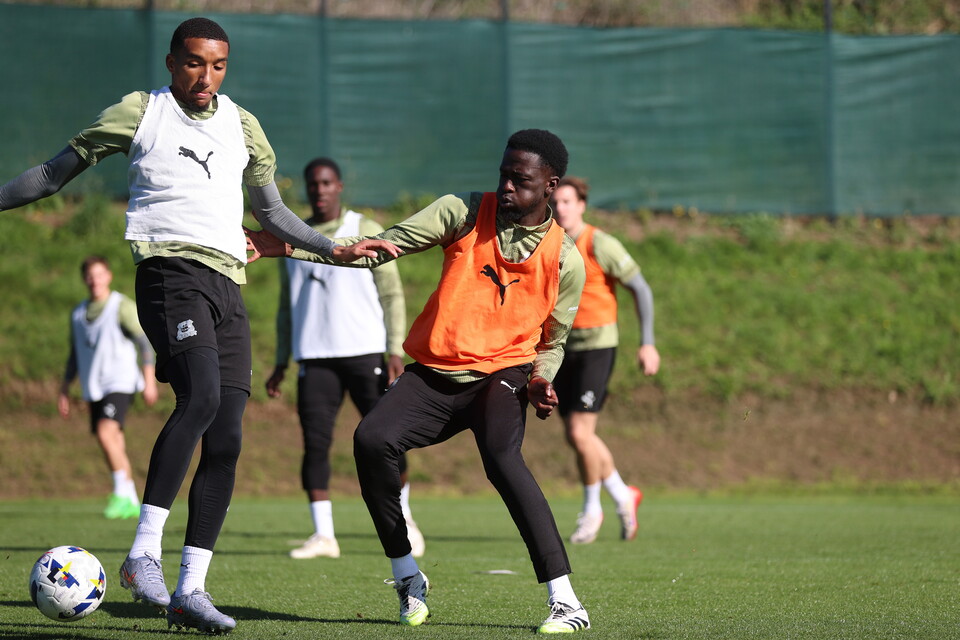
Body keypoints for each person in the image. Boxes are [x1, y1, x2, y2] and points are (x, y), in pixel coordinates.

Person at [0, 17, 398, 634]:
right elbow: (52, 175)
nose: (205, 76)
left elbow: (271, 212)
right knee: (203, 397)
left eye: (217, 65)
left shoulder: (244, 126)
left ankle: (191, 589)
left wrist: (330, 248)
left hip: (229, 285)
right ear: (170, 63)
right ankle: (141, 556)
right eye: (193, 63)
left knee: (229, 435)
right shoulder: (140, 113)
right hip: (169, 274)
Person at [248, 129, 592, 633]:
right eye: (504, 175)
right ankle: (408, 577)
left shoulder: (566, 259)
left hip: (504, 372)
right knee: (371, 440)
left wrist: (541, 378)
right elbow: (378, 246)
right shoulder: (464, 211)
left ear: (550, 184)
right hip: (435, 373)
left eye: (521, 180)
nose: (508, 187)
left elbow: (554, 340)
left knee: (502, 458)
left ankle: (565, 602)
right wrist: (281, 246)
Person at [267, 157, 424, 559]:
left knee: (387, 440)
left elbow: (391, 294)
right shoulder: (291, 235)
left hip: (365, 352)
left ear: (338, 187)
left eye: (326, 183)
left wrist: (394, 349)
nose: (319, 190)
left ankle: (405, 519)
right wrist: (282, 360)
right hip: (314, 357)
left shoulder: (363, 228)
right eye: (312, 184)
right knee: (315, 445)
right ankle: (323, 535)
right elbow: (287, 305)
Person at [550, 176, 660, 544]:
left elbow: (640, 288)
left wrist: (647, 343)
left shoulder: (600, 243)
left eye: (567, 201)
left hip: (599, 345)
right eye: (555, 201)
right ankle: (623, 494)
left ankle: (591, 510)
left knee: (580, 433)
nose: (560, 208)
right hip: (562, 347)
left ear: (581, 205)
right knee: (578, 435)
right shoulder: (550, 243)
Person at [59, 255, 159, 520]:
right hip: (94, 385)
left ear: (109, 276)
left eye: (100, 274)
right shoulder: (78, 313)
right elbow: (75, 353)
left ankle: (118, 493)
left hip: (120, 381)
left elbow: (144, 343)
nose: (95, 280)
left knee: (106, 433)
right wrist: (64, 388)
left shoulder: (120, 306)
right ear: (85, 279)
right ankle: (130, 499)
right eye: (90, 276)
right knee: (114, 441)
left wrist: (149, 379)